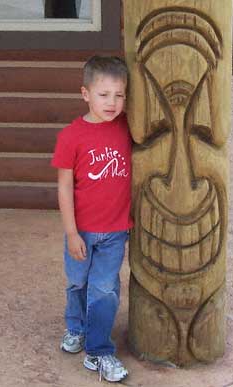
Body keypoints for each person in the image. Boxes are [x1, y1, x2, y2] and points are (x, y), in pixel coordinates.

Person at [51, 56, 133, 382]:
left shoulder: (128, 126)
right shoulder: (71, 136)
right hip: (81, 231)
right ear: (85, 94)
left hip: (115, 231)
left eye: (120, 95)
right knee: (78, 283)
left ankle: (98, 352)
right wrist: (71, 233)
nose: (112, 102)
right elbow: (64, 188)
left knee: (104, 289)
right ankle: (76, 327)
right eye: (104, 94)